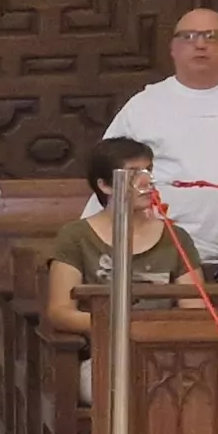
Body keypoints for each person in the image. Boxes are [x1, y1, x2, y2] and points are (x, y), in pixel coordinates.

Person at [102, 8, 218, 269]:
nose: (200, 44)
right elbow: (108, 170)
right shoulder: (143, 105)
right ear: (173, 48)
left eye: (212, 36)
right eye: (189, 36)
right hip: (159, 252)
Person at [47, 137, 195, 348]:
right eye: (133, 174)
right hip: (103, 352)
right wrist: (128, 326)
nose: (146, 182)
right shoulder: (75, 236)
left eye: (148, 171)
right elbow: (60, 312)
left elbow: (195, 310)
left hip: (166, 352)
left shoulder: (176, 237)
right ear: (105, 185)